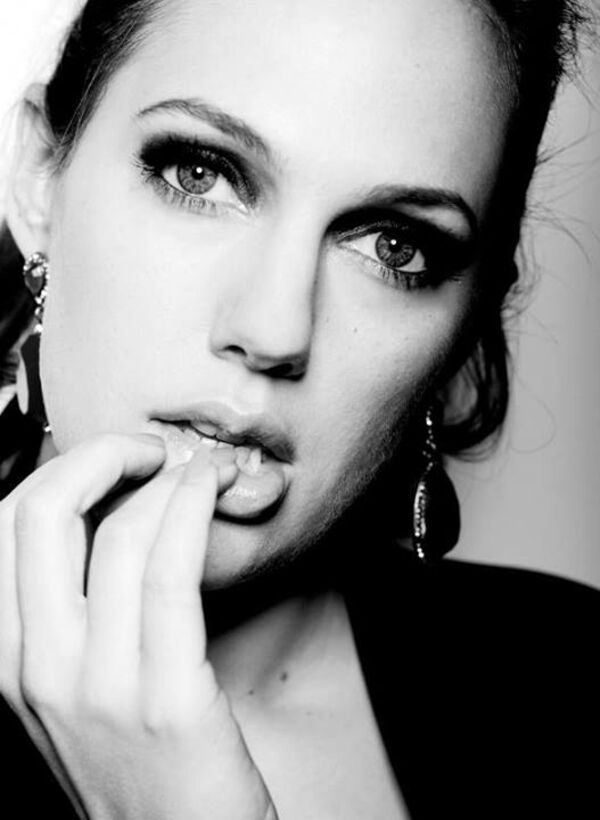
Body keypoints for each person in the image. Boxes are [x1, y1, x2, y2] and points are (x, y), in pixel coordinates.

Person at [0, 0, 598, 817]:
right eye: (199, 174)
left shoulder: (572, 683)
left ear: (469, 320)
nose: (274, 331)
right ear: (40, 176)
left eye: (394, 246)